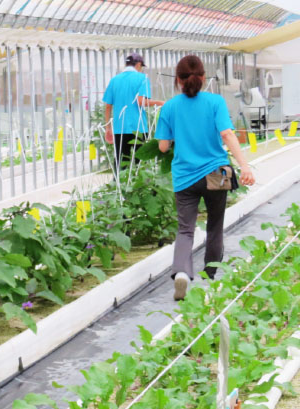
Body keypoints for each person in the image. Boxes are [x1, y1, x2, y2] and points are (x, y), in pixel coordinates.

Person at [155, 55, 255, 301]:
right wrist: (245, 166)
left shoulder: (169, 107)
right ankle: (211, 275)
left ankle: (181, 272)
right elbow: (227, 134)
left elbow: (163, 147)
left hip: (185, 176)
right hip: (215, 173)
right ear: (203, 78)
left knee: (186, 229)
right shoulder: (215, 102)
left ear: (178, 80)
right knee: (214, 226)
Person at [103, 53, 164, 171]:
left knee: (120, 161)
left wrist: (108, 128)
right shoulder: (142, 78)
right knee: (140, 162)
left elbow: (108, 106)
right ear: (139, 64)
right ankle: (140, 188)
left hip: (119, 128)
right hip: (138, 128)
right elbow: (141, 101)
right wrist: (159, 103)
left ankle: (118, 186)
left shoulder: (114, 80)